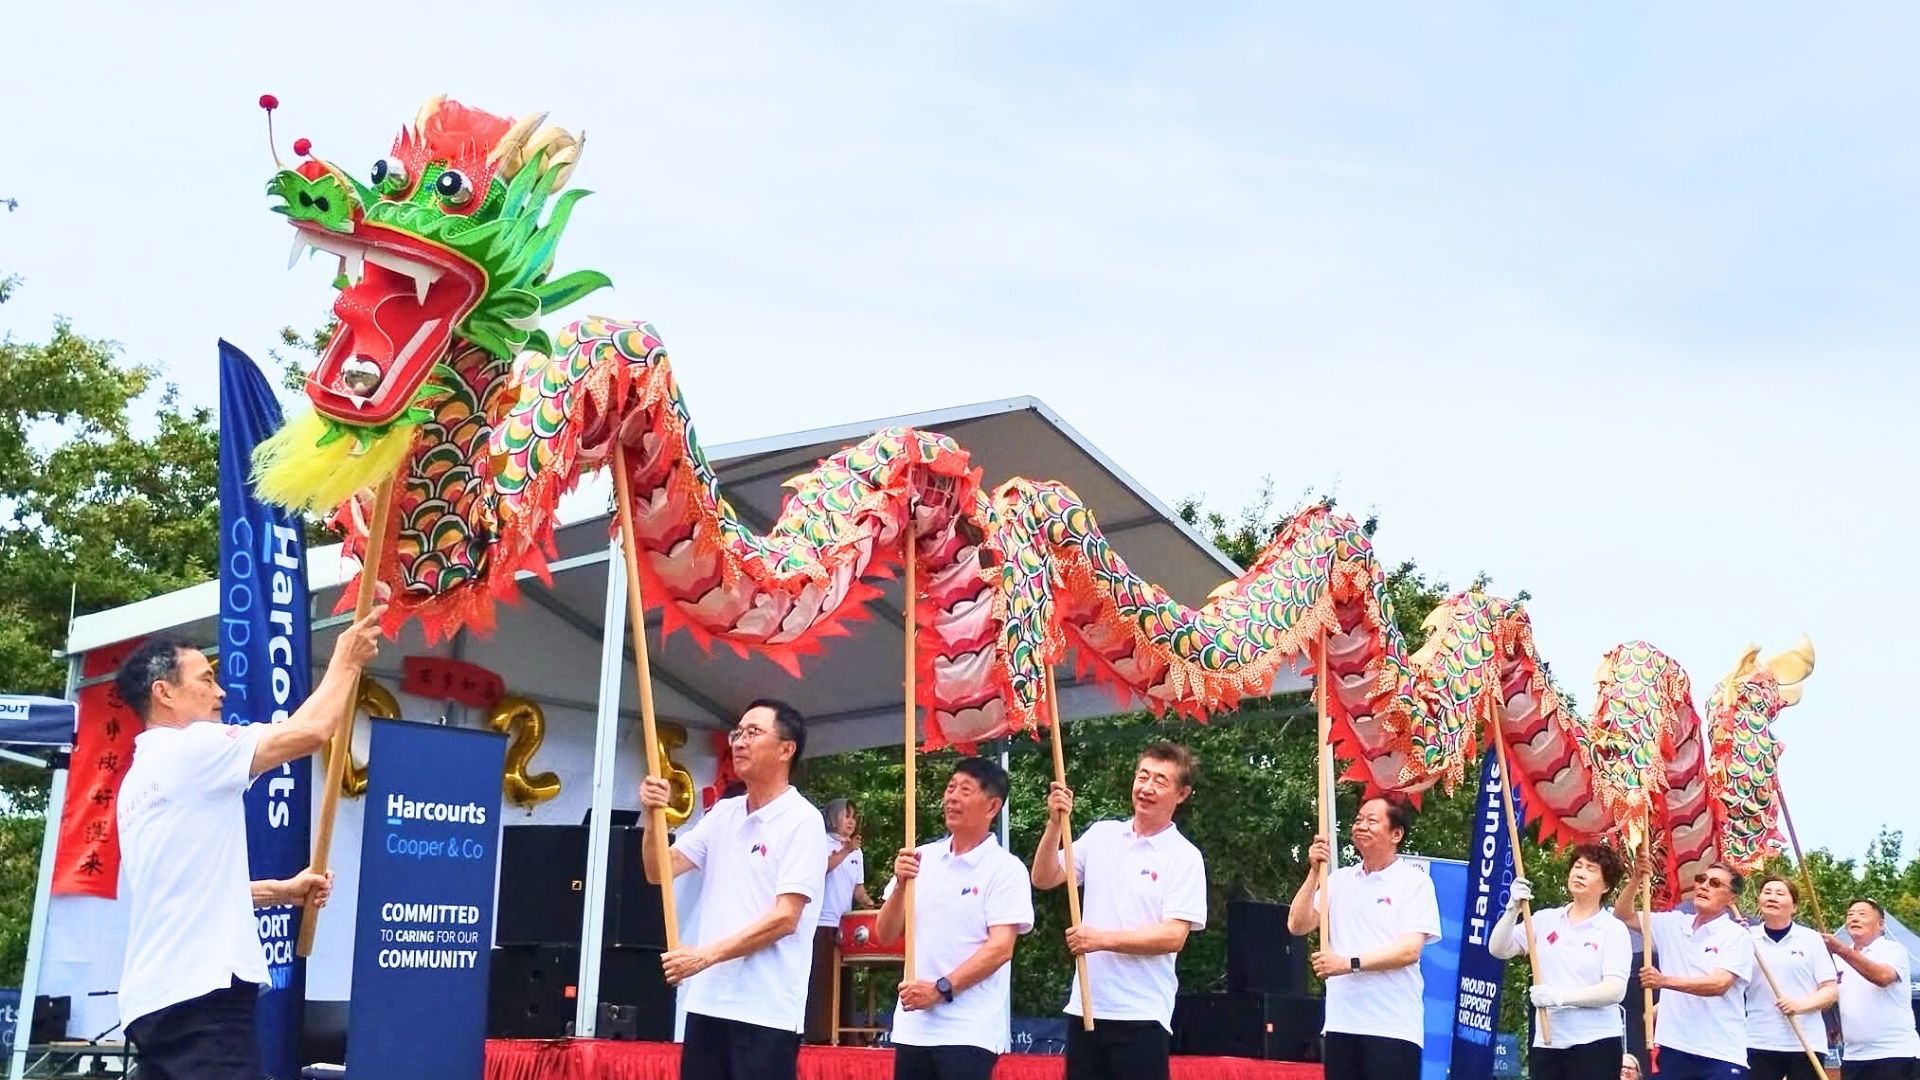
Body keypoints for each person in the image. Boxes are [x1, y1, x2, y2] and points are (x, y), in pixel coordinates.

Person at [115, 608, 382, 1079]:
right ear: (164, 693)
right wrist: (347, 658)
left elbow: (189, 891)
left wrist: (279, 891)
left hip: (153, 1000)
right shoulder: (191, 748)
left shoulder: (137, 782)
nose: (219, 693)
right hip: (202, 997)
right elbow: (309, 733)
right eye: (205, 679)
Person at [640, 700, 827, 1080]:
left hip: (764, 1010)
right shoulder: (723, 815)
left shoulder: (802, 821)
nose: (740, 742)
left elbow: (785, 918)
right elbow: (658, 870)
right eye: (737, 733)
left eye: (753, 733)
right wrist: (651, 816)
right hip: (708, 1002)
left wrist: (706, 956)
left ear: (786, 749)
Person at [1032, 742, 1208, 1080]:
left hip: (1142, 1014)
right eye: (1143, 776)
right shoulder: (1102, 835)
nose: (1146, 787)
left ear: (1182, 794)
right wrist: (1054, 825)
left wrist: (1100, 939)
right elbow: (1044, 877)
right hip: (1086, 1009)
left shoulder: (1183, 856)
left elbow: (1173, 936)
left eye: (1160, 780)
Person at [877, 758, 1034, 1080]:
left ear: (992, 806)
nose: (952, 798)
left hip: (969, 1030)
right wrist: (901, 885)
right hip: (913, 1026)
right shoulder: (921, 858)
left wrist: (940, 990)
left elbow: (1001, 948)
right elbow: (885, 932)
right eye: (950, 788)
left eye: (965, 790)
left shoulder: (1005, 869)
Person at [1286, 793, 1442, 1080]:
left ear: (1396, 833)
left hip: (1392, 1027)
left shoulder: (1414, 883)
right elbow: (1297, 924)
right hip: (1341, 1023)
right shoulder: (1338, 880)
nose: (1361, 826)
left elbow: (1409, 951)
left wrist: (1348, 963)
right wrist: (1313, 872)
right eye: (1358, 820)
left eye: (1372, 820)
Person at [1489, 842, 1632, 1080]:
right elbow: (1499, 948)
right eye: (1577, 866)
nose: (1580, 872)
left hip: (1596, 1041)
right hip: (1548, 1040)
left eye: (1591, 869)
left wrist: (1561, 998)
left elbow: (1615, 990)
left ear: (1606, 885)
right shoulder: (1546, 919)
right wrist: (1512, 909)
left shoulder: (1612, 929)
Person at [1615, 857, 1756, 1080]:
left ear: (1731, 898)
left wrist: (1664, 981)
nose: (1704, 886)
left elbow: (1719, 984)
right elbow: (1623, 915)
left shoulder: (1737, 935)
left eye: (1715, 883)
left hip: (1720, 1052)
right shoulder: (1673, 923)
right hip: (1674, 1047)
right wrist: (1636, 879)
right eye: (1702, 879)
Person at [1743, 876, 1837, 1080]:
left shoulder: (1810, 939)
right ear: (1759, 900)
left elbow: (1830, 990)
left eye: (1780, 893)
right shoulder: (1745, 938)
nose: (1772, 897)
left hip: (1806, 1042)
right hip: (1757, 1040)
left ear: (1794, 906)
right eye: (1767, 892)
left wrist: (1799, 1006)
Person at [804, 797, 875, 1044]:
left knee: (844, 981)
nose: (851, 821)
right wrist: (846, 850)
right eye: (846, 816)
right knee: (821, 980)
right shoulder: (820, 842)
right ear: (833, 817)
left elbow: (858, 890)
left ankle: (845, 1035)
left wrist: (873, 905)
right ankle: (818, 1035)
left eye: (853, 817)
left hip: (844, 925)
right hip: (820, 921)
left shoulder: (857, 853)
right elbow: (821, 869)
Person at [1824, 898, 1920, 1079]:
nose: (1854, 918)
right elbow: (1829, 995)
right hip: (1853, 1055)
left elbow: (1882, 977)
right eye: (1850, 915)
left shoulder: (1893, 950)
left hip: (1894, 1053)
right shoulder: (1836, 959)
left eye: (1862, 914)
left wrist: (1841, 950)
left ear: (1881, 924)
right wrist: (1830, 1023)